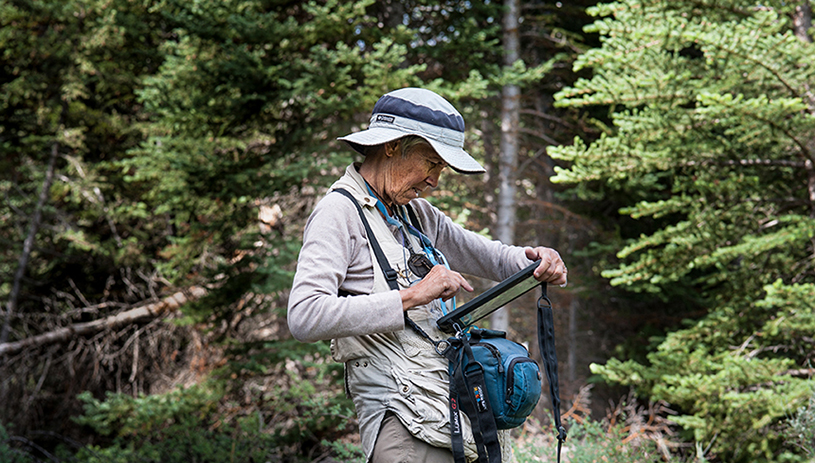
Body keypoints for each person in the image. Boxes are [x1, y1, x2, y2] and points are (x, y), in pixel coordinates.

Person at [287, 88, 567, 463]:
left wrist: (534, 261)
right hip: (404, 427)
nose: (435, 180)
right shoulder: (338, 213)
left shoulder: (416, 213)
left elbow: (490, 257)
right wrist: (413, 296)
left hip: (455, 413)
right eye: (431, 163)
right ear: (392, 146)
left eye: (440, 168)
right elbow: (305, 316)